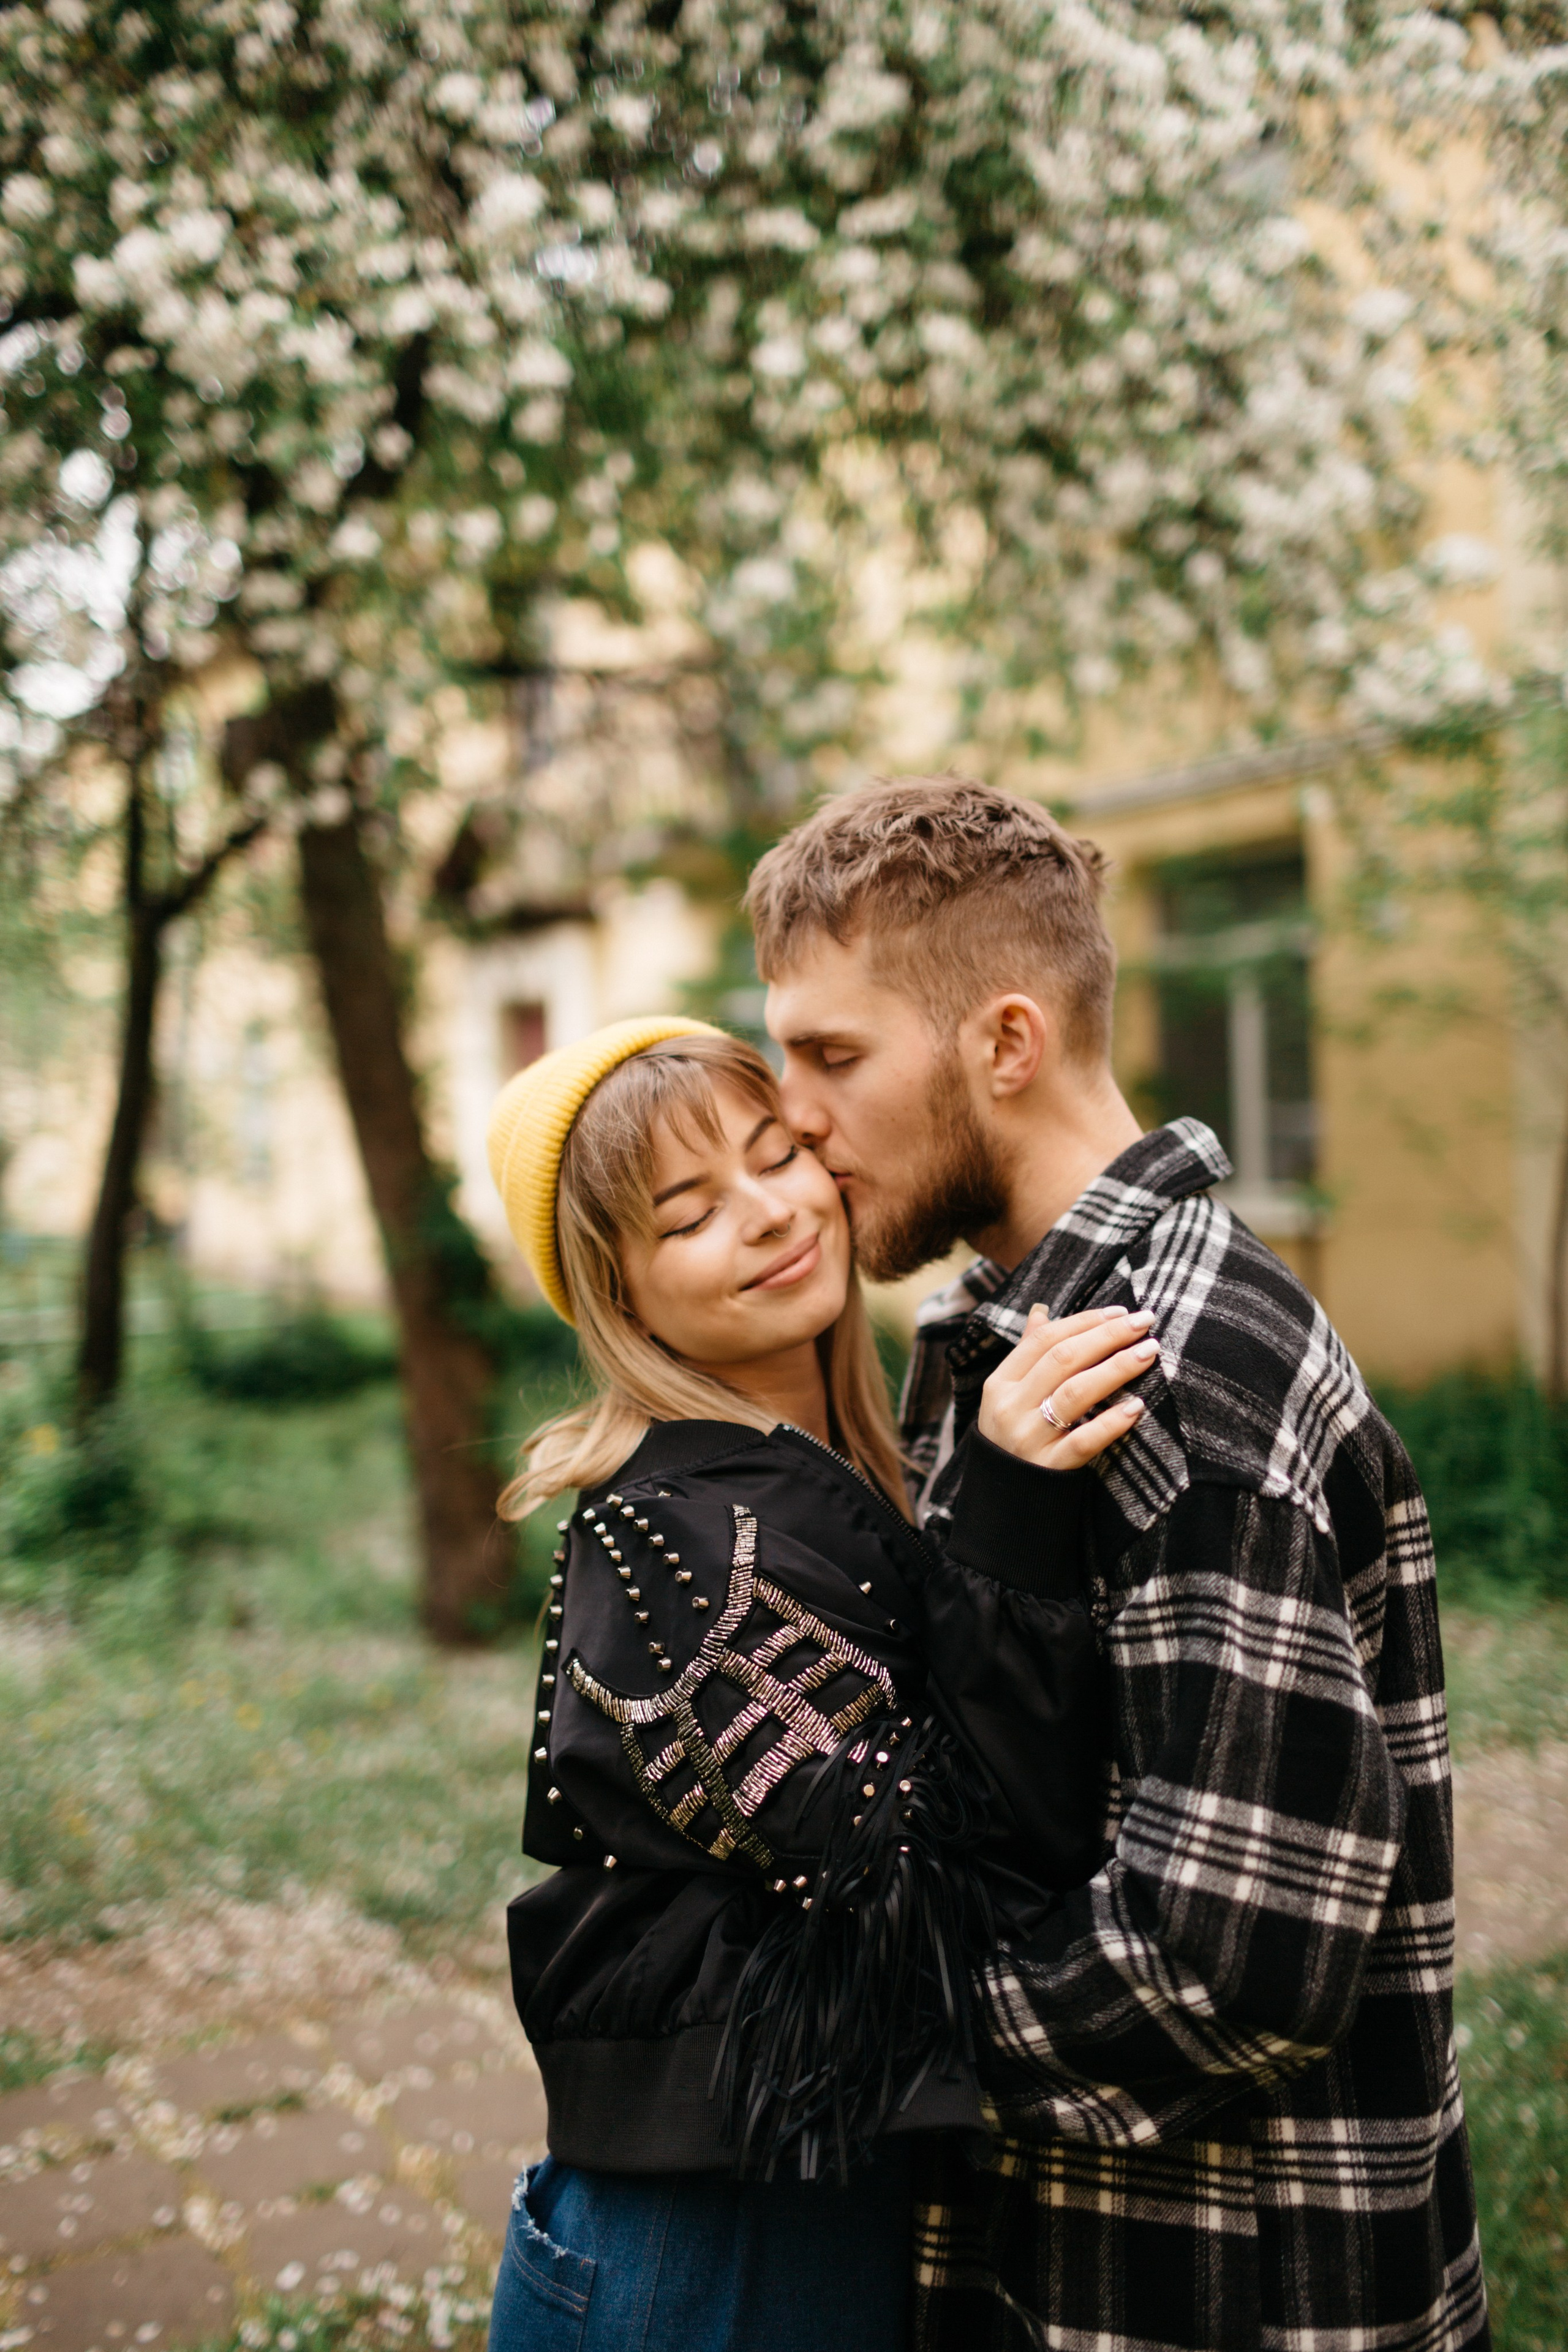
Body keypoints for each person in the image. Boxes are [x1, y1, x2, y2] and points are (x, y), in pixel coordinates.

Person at [747, 774, 1487, 2352]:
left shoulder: (1174, 1376)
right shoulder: (1025, 1336)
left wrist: (890, 2032)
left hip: (1220, 2289)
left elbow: (1235, 1955)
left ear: (1003, 1043)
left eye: (831, 1055)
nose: (792, 1115)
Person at [483, 1016, 1152, 2352]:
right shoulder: (668, 1532)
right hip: (703, 2253)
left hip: (795, 2212)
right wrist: (1014, 1515)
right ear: (617, 1296)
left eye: (776, 1152)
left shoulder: (833, 1462)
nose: (768, 1213)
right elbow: (911, 1872)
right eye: (685, 1215)